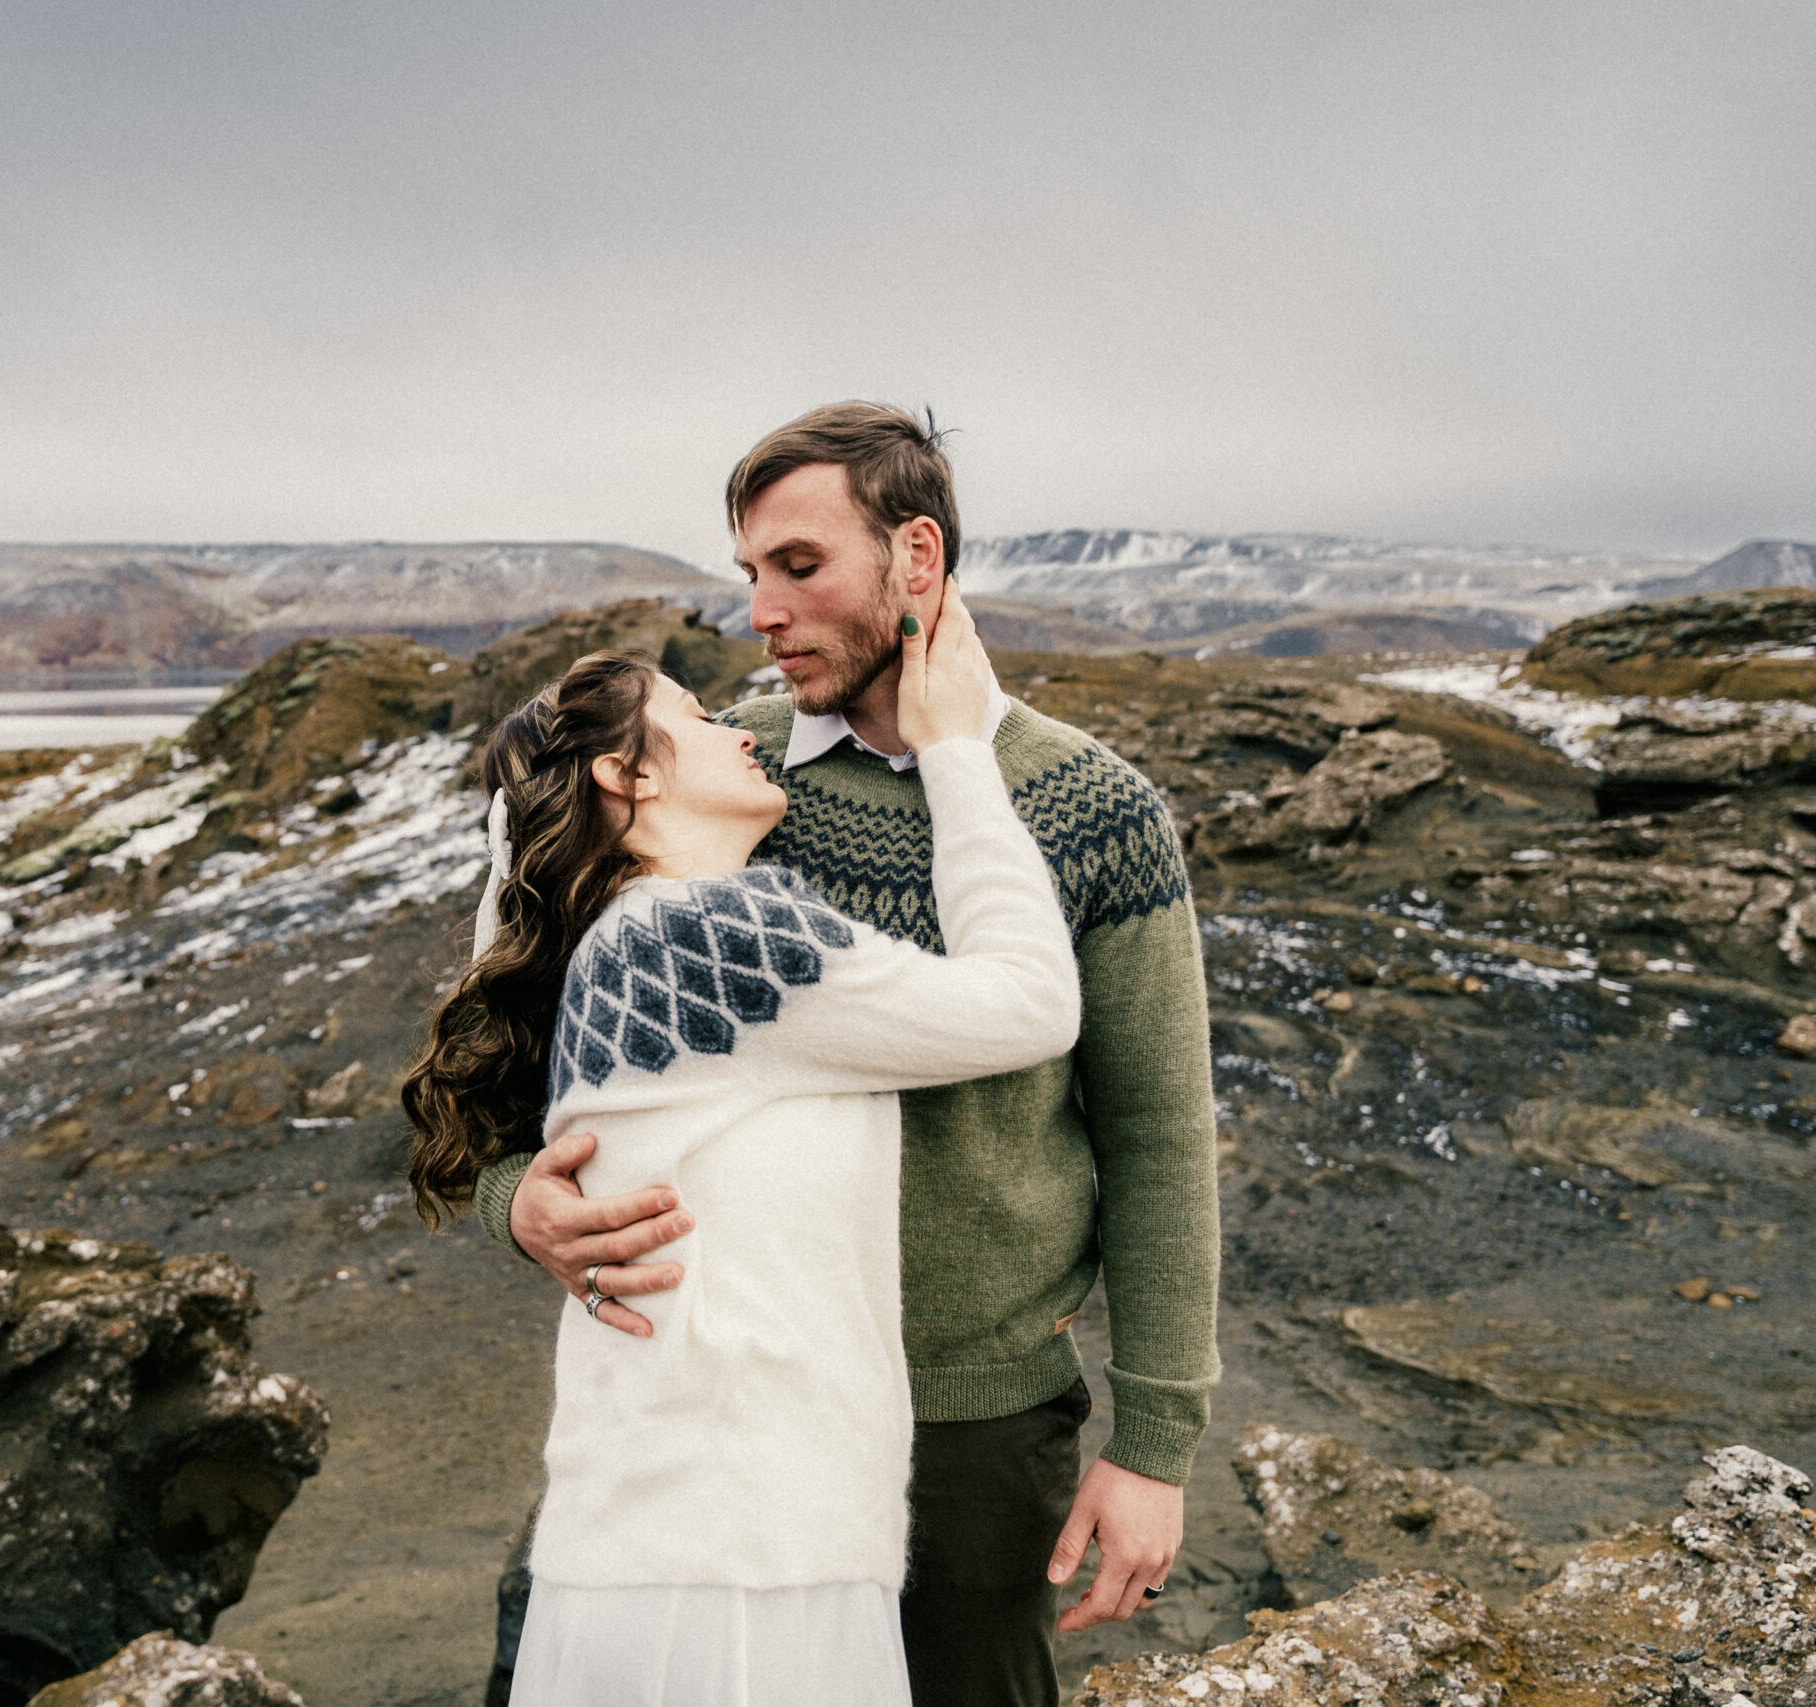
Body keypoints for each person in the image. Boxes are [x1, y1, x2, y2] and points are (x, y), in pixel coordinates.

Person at [471, 403, 1222, 1707]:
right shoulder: (720, 777)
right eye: (750, 572)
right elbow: (498, 1047)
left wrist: (1154, 1440)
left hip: (973, 1425)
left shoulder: (1094, 809)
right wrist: (518, 1201)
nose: (760, 609)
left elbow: (1157, 1134)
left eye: (799, 567)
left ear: (915, 559)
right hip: (706, 1428)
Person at [403, 587, 1080, 1707]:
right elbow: (1027, 1007)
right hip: (747, 1561)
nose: (741, 727)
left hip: (654, 1536)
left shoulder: (618, 939)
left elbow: (501, 940)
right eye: (700, 715)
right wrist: (957, 754)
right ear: (630, 774)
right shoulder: (711, 935)